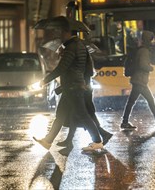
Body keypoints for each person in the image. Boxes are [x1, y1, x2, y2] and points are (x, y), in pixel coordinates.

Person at [33, 16, 104, 151]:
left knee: (83, 115)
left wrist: (45, 81)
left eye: (61, 32)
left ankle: (97, 141)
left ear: (68, 32)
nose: (60, 34)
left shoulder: (72, 47)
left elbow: (62, 68)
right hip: (72, 85)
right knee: (60, 115)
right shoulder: (78, 45)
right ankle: (48, 141)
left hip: (73, 86)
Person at [55, 43, 113, 149]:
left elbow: (86, 74)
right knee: (76, 115)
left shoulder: (84, 60)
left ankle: (103, 135)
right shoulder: (82, 59)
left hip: (83, 90)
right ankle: (69, 140)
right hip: (82, 89)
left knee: (85, 116)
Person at [120, 30, 155, 130]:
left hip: (138, 79)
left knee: (136, 101)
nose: (152, 42)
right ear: (148, 40)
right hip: (140, 80)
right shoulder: (144, 51)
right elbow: (142, 65)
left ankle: (125, 122)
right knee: (147, 100)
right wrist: (150, 68)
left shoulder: (141, 49)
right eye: (151, 40)